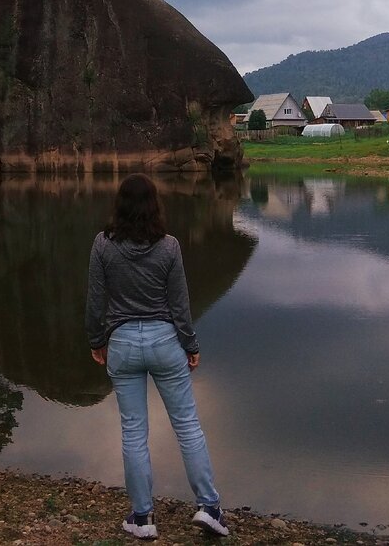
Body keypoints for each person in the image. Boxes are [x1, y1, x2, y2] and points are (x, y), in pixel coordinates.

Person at [85, 173, 229, 540]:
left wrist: (97, 340)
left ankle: (143, 518)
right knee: (187, 426)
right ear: (154, 206)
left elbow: (95, 302)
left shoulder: (103, 245)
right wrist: (190, 345)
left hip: (121, 343)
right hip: (166, 341)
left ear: (119, 205)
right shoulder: (169, 246)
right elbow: (180, 305)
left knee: (134, 432)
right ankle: (209, 508)